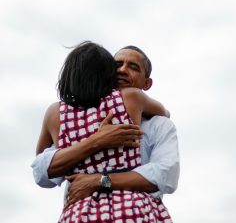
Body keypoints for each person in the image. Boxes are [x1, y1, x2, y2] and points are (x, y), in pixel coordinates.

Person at [33, 41, 178, 222]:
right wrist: (97, 140)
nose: (122, 70)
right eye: (117, 65)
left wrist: (98, 180)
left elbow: (166, 175)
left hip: (81, 213)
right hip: (133, 211)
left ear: (147, 83)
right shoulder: (133, 100)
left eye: (133, 67)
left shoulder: (62, 117)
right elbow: (41, 171)